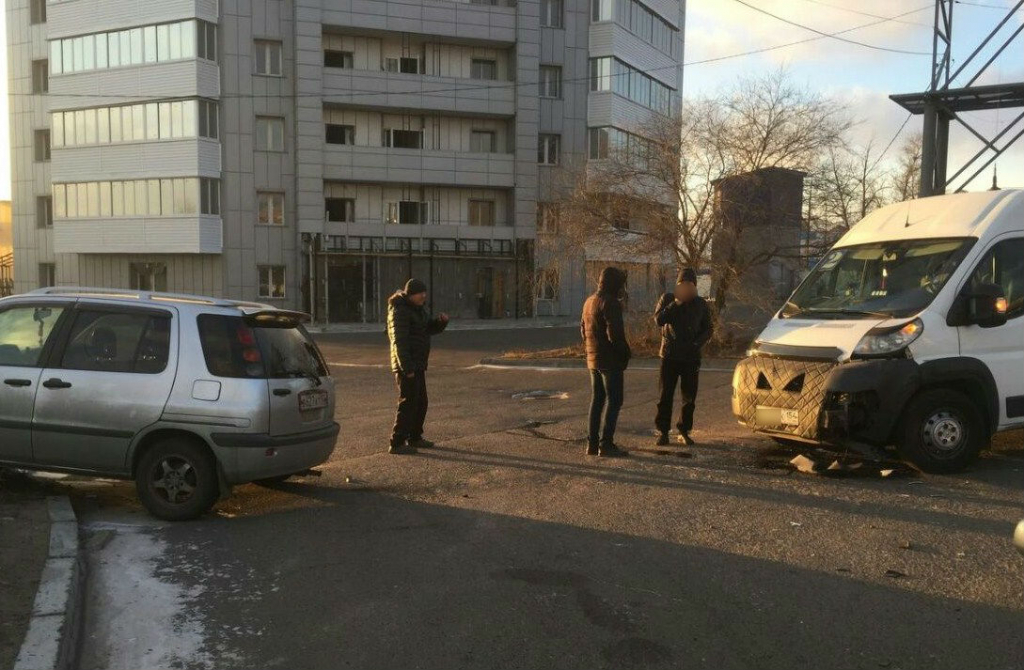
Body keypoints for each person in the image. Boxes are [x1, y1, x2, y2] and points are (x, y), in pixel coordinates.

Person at [387, 278, 449, 454]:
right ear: (410, 294)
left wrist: (440, 322)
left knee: (421, 402)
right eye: (419, 293)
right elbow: (399, 342)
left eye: (424, 292)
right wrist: (407, 368)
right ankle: (396, 442)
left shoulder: (418, 310)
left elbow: (427, 328)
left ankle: (415, 437)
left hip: (418, 364)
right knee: (408, 403)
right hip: (407, 365)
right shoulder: (400, 311)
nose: (423, 296)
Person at [654, 268, 713, 446]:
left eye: (690, 285)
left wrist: (696, 344)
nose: (686, 288)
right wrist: (676, 303)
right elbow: (658, 320)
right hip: (669, 355)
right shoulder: (668, 299)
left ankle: (684, 430)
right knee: (665, 395)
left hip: (691, 357)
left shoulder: (700, 304)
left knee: (689, 397)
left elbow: (708, 328)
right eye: (683, 284)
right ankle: (663, 431)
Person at [580, 267, 631, 458]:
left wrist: (591, 349)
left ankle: (592, 444)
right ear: (614, 284)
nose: (622, 289)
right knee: (615, 400)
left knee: (597, 400)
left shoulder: (589, 301)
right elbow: (615, 335)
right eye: (621, 285)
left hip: (593, 358)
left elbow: (583, 330)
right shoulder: (610, 303)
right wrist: (625, 353)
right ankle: (606, 443)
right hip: (610, 360)